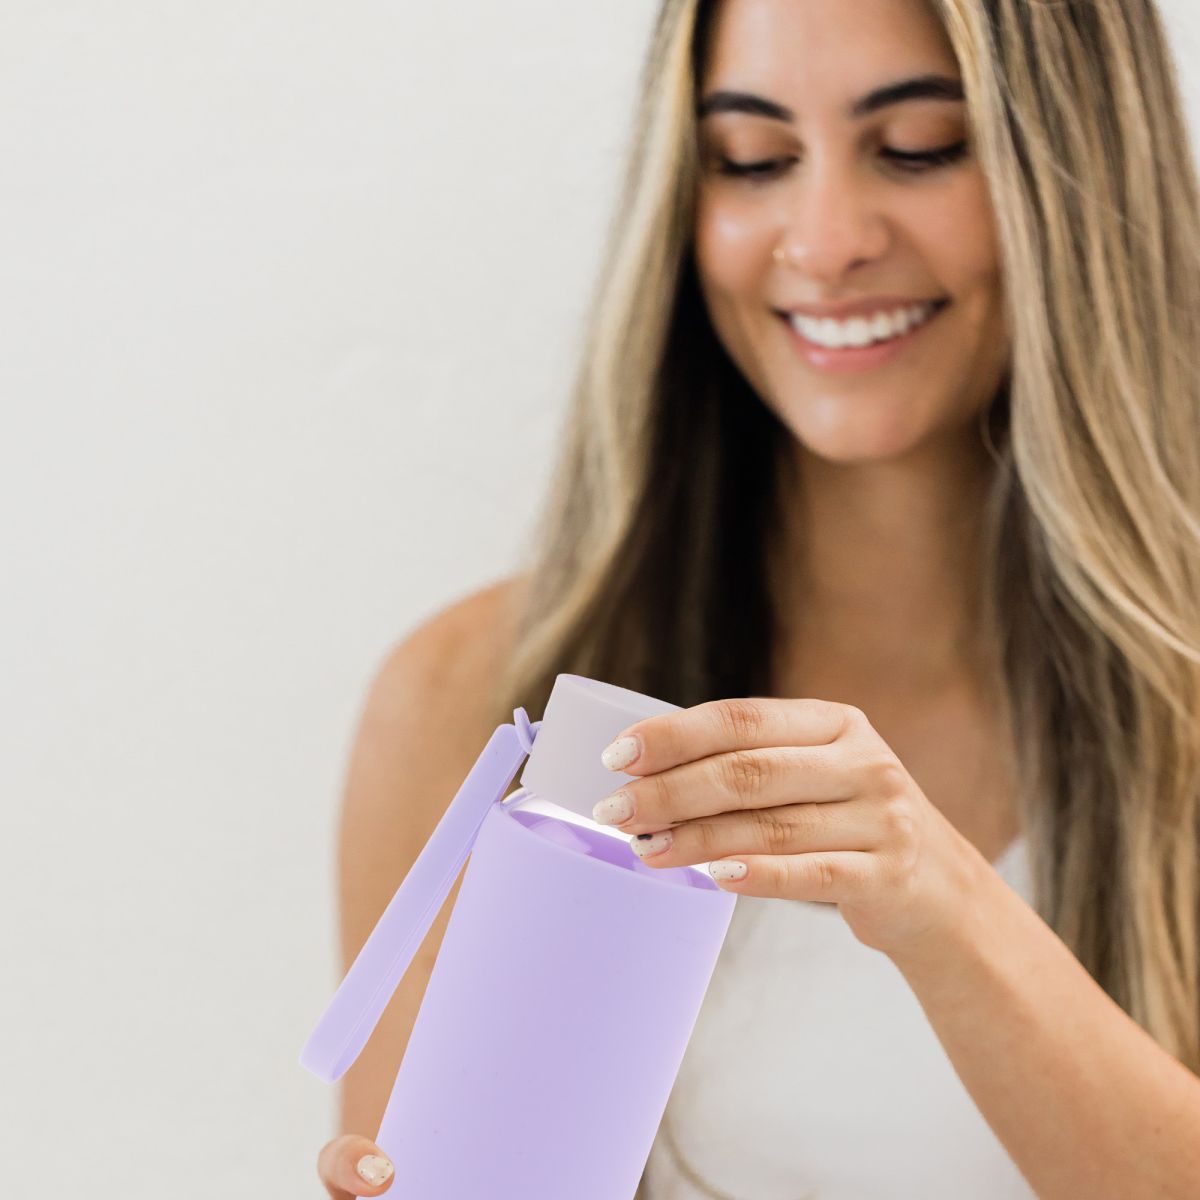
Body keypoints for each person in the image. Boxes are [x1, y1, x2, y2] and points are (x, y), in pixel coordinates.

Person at [317, 0, 1200, 1195]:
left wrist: (941, 905)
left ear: (1083, 168)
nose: (826, 239)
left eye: (920, 144)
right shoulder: (468, 696)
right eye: (753, 160)